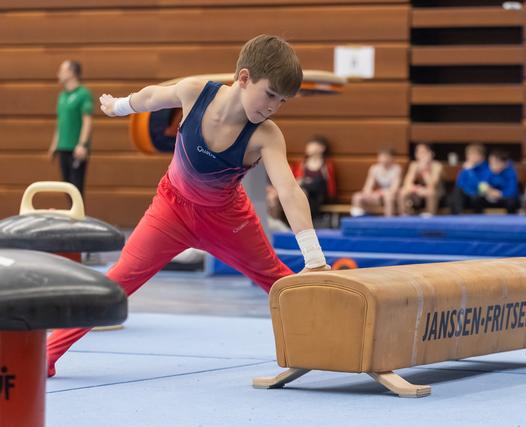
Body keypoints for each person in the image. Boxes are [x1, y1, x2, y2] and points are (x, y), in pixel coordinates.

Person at [46, 35, 329, 377]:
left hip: (227, 220)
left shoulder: (266, 136)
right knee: (116, 282)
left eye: (281, 101)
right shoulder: (196, 92)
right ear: (243, 78)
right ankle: (45, 356)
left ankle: (343, 347)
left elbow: (289, 190)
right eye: (269, 94)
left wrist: (314, 257)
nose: (272, 107)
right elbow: (151, 96)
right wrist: (119, 106)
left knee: (280, 283)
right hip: (170, 211)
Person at [47, 60, 93, 197]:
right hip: (63, 147)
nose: (58, 73)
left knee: (76, 188)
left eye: (62, 70)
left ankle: (78, 218)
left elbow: (87, 121)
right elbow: (60, 122)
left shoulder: (83, 94)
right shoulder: (62, 96)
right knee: (66, 187)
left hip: (76, 148)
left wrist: (82, 144)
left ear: (72, 73)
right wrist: (54, 145)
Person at [292, 136, 336, 223]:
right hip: (305, 193)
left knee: (316, 183)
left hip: (320, 195)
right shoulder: (302, 164)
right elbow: (297, 181)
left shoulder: (326, 165)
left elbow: (328, 184)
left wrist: (308, 182)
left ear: (322, 148)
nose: (309, 147)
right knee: (304, 190)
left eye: (312, 145)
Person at [350, 148, 402, 217]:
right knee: (357, 197)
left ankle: (388, 221)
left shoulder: (397, 169)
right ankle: (358, 220)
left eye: (385, 157)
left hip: (392, 196)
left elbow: (394, 189)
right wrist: (368, 193)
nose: (383, 159)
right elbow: (368, 186)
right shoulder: (374, 168)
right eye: (381, 157)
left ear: (391, 158)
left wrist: (382, 193)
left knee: (388, 197)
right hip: (378, 195)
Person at [398, 143, 443, 216]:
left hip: (434, 192)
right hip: (417, 191)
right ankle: (404, 215)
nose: (420, 155)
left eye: (423, 152)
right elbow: (407, 183)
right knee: (402, 192)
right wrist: (416, 189)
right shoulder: (414, 165)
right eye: (418, 152)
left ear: (430, 154)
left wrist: (424, 171)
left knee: (430, 193)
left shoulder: (437, 166)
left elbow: (433, 185)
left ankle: (430, 215)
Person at [476, 150, 520, 214]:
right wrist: (488, 191)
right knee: (476, 199)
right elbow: (481, 187)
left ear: (504, 163)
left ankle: (511, 220)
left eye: (496, 162)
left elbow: (512, 191)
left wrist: (499, 194)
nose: (493, 165)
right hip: (489, 197)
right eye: (491, 163)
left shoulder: (510, 173)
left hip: (503, 199)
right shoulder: (487, 171)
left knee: (512, 201)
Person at [449, 143, 487, 214]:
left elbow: (480, 185)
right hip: (467, 195)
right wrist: (465, 170)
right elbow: (459, 183)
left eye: (474, 154)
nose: (471, 157)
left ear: (481, 156)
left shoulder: (485, 168)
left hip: (478, 194)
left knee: (476, 198)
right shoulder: (466, 168)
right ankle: (459, 216)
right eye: (469, 155)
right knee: (456, 193)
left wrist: (470, 171)